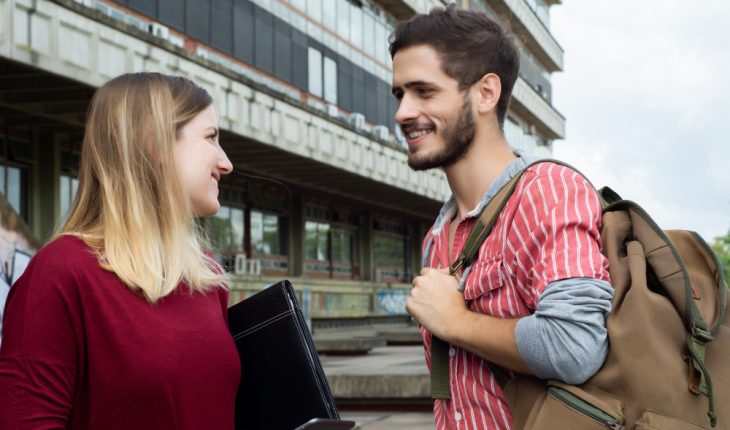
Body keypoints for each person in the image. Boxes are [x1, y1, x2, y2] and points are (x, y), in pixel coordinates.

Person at [390, 6, 613, 429]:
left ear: (486, 93)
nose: (403, 112)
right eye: (400, 94)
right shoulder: (439, 235)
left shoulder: (545, 191)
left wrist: (455, 321)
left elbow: (575, 345)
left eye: (424, 91)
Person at [0, 73, 239, 429]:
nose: (226, 164)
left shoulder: (207, 277)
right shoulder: (61, 274)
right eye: (211, 138)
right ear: (154, 142)